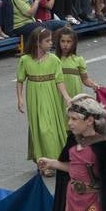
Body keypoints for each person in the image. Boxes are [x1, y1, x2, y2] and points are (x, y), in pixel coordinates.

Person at [16, 27, 72, 168]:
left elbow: (59, 80)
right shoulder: (25, 60)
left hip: (50, 95)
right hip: (34, 96)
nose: (51, 43)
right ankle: (43, 162)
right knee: (39, 128)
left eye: (51, 40)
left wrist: (66, 97)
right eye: (47, 41)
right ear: (37, 42)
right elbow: (20, 80)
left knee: (49, 129)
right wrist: (20, 99)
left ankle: (53, 160)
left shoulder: (54, 60)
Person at [55, 27, 100, 98]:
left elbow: (85, 79)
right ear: (58, 42)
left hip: (75, 96)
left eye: (68, 41)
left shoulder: (79, 59)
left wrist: (93, 85)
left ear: (74, 43)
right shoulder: (54, 59)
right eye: (62, 41)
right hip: (58, 95)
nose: (65, 44)